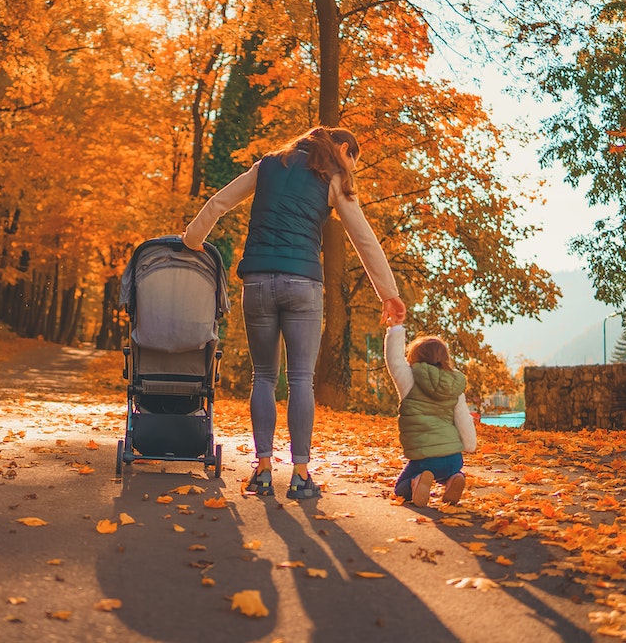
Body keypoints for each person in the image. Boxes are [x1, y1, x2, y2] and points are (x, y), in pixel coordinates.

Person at [182, 126, 406, 500]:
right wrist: (389, 294)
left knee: (264, 377)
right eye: (353, 158)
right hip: (302, 283)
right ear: (342, 148)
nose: (351, 166)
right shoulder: (332, 177)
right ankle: (301, 475)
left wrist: (191, 240)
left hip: (256, 281)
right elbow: (363, 236)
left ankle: (264, 470)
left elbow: (219, 203)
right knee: (301, 379)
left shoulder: (268, 165)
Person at [384, 326, 477, 507]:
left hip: (424, 458)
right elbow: (463, 417)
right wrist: (470, 445)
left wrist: (395, 328)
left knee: (400, 490)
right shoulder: (454, 384)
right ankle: (454, 478)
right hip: (453, 457)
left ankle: (417, 480)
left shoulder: (410, 379)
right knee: (452, 470)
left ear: (413, 357)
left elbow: (394, 361)